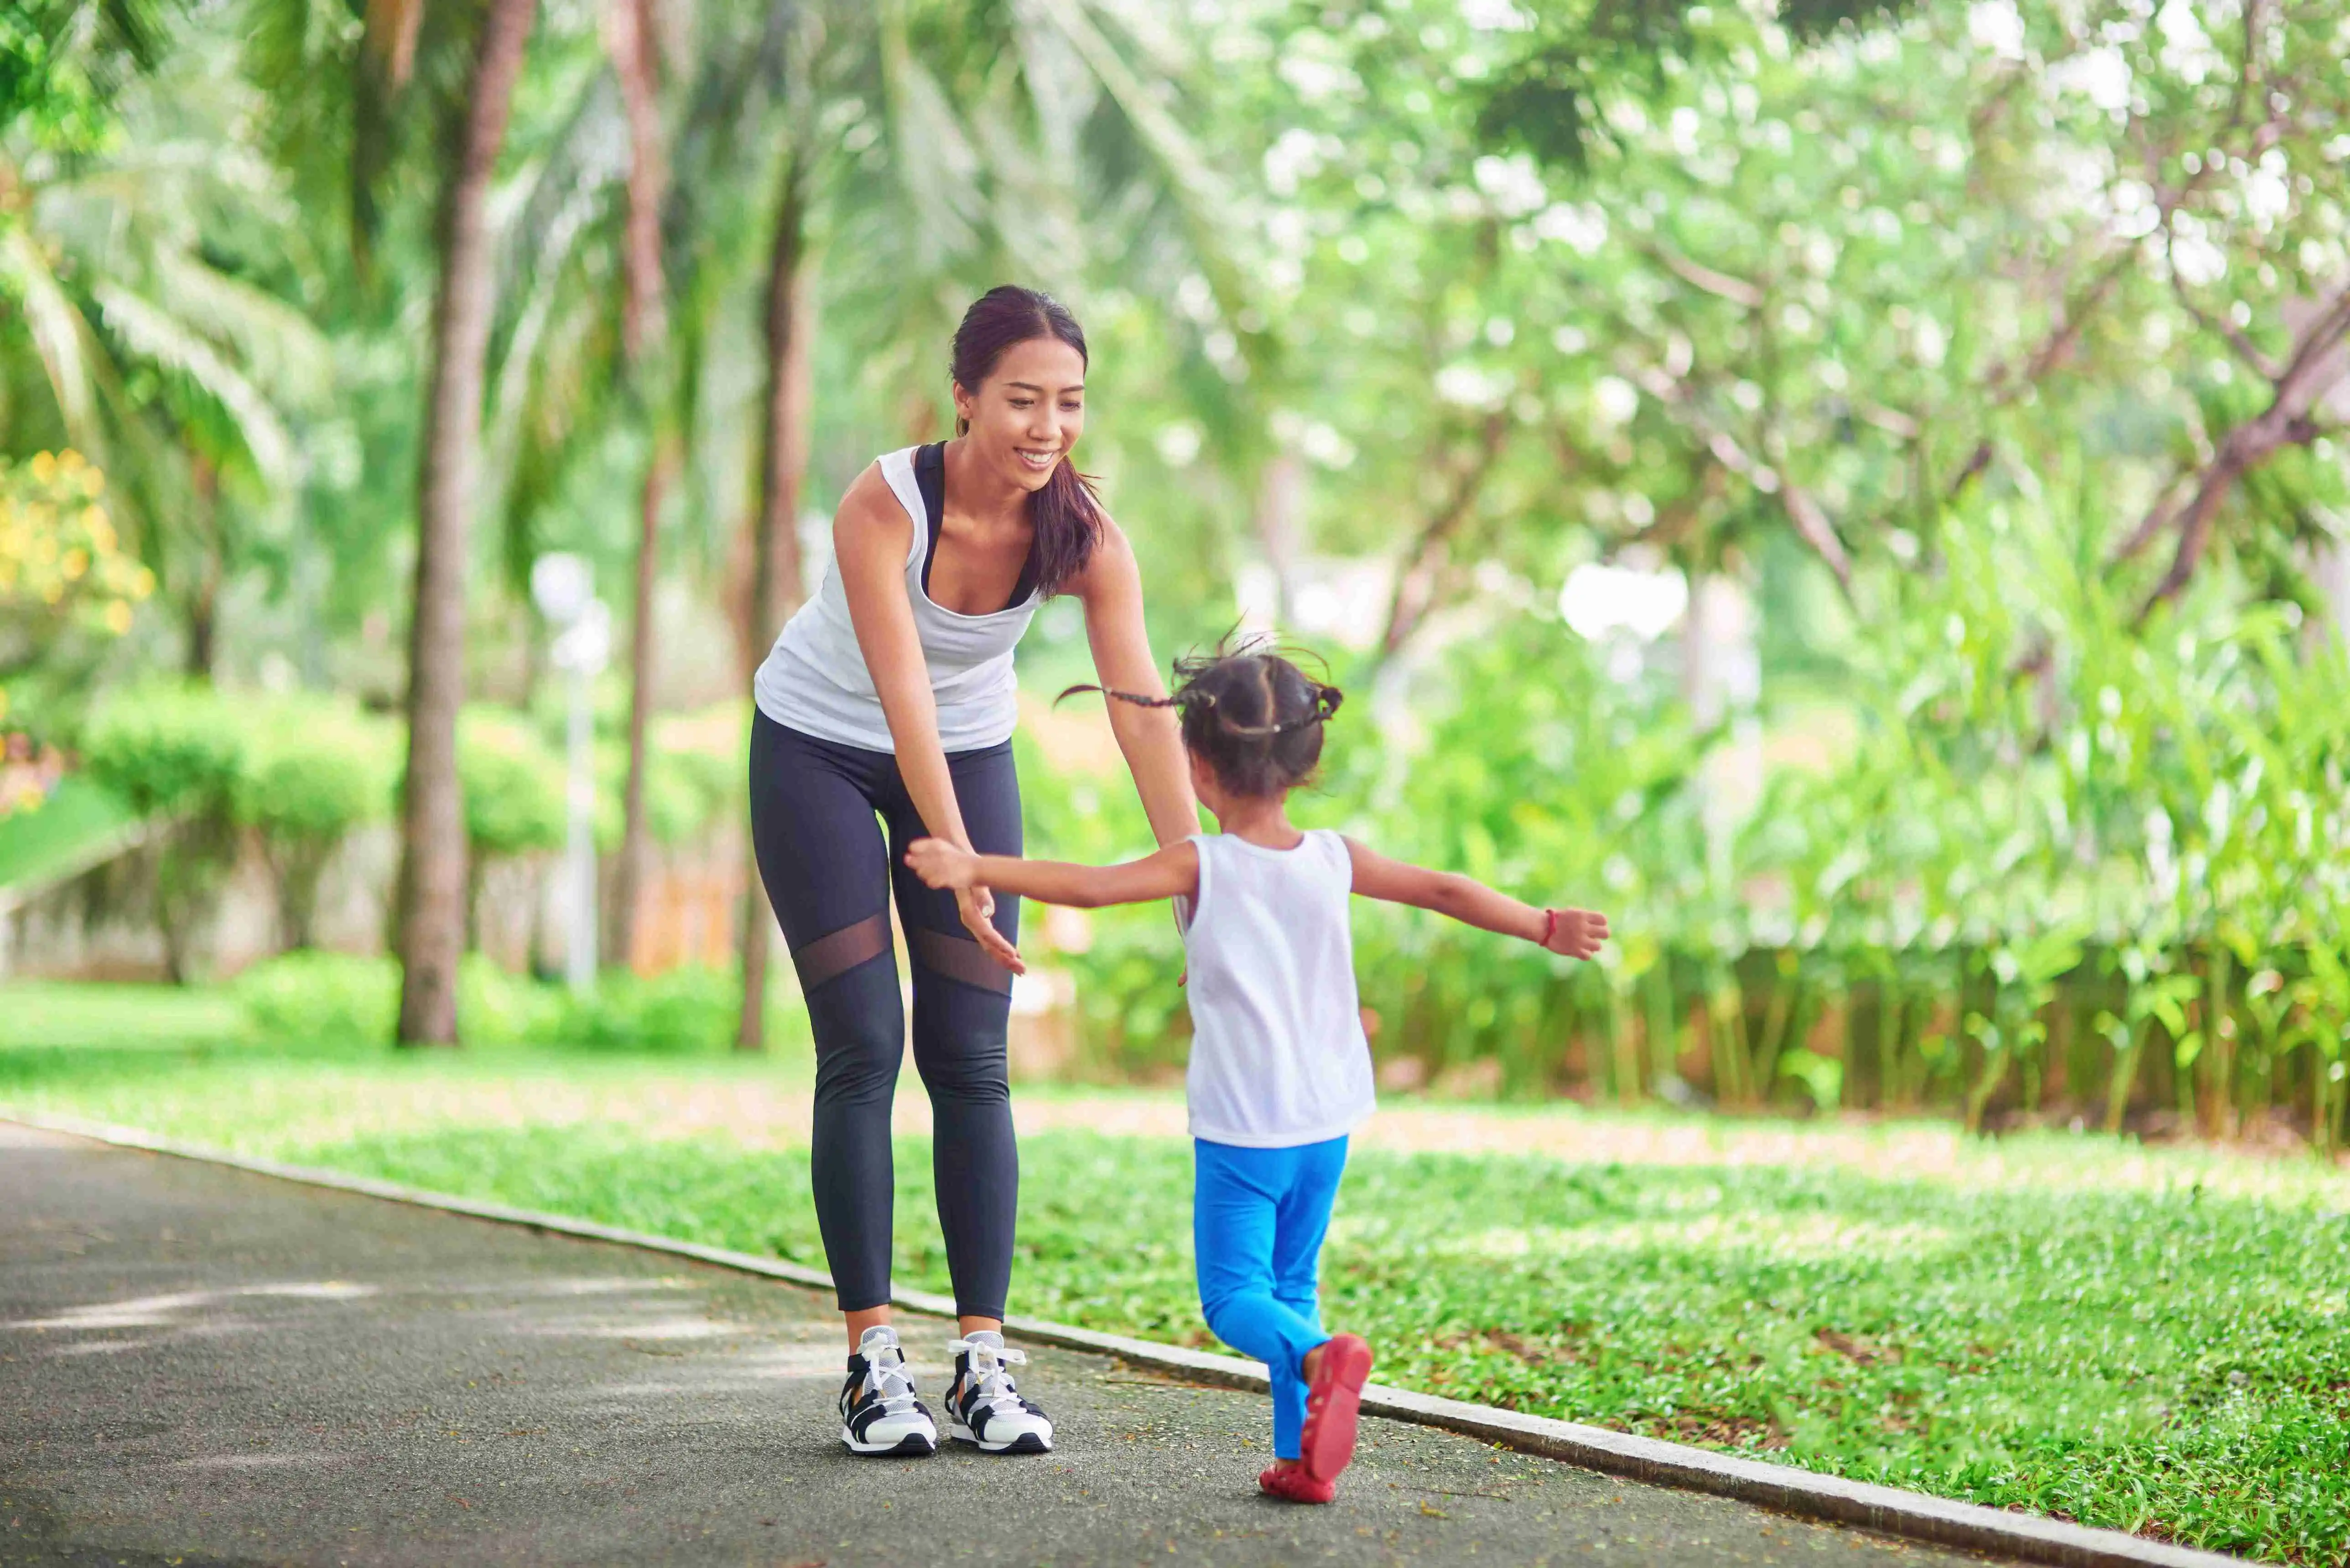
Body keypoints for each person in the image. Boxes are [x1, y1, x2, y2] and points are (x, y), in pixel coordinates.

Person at [904, 645, 1610, 1501]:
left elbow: (1090, 887)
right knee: (1292, 1286)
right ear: (1304, 763)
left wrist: (974, 866)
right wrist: (1543, 923)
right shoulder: (1335, 858)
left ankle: (1320, 1358)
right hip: (1328, 1125)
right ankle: (1302, 1459)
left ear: (1198, 767)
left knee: (1237, 1298)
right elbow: (1447, 890)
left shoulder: (1204, 863)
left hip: (1246, 1131)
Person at [748, 286, 1196, 1458]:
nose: (1047, 427)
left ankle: (982, 1360)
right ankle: (869, 1360)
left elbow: (1140, 708)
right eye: (1021, 400)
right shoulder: (883, 504)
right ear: (964, 397)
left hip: (966, 752)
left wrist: (1196, 864)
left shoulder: (1085, 535)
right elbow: (901, 695)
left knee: (972, 1057)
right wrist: (961, 867)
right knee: (862, 1043)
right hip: (818, 755)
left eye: (1069, 404)